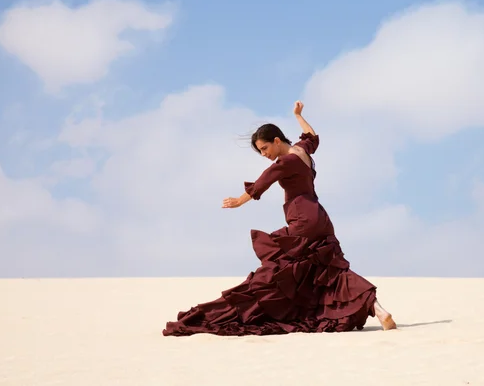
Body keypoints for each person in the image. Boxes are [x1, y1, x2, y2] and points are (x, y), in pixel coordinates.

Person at [162, 101, 396, 336]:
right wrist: (298, 116)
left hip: (302, 219)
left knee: (278, 269)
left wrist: (238, 201)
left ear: (276, 140)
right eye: (261, 151)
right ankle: (378, 309)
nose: (264, 155)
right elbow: (313, 136)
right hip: (320, 217)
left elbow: (263, 181)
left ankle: (260, 306)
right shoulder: (302, 150)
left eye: (265, 148)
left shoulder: (285, 162)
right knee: (333, 268)